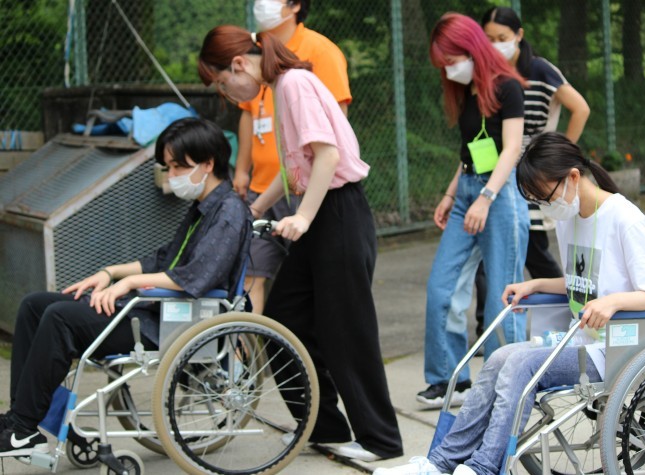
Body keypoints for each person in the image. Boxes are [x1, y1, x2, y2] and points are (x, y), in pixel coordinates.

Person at [374, 132, 645, 475]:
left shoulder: (625, 219)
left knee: (520, 364)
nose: (546, 207)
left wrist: (614, 302)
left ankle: (484, 467)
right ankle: (439, 463)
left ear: (572, 177)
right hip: (582, 341)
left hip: (620, 348)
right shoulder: (571, 217)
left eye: (544, 197)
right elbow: (585, 284)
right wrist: (537, 284)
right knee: (500, 356)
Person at [198, 26, 403, 462]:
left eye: (221, 83)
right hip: (320, 214)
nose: (228, 94)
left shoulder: (294, 84)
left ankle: (380, 439)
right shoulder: (279, 87)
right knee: (283, 320)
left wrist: (304, 217)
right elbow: (296, 169)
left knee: (345, 330)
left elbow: (327, 156)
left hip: (338, 213)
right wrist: (253, 210)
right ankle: (324, 426)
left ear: (238, 65)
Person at [0, 117, 251, 457]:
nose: (172, 175)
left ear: (208, 164)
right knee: (34, 305)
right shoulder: (202, 208)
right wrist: (109, 273)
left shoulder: (228, 212)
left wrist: (128, 283)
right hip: (155, 308)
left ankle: (24, 426)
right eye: (170, 166)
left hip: (169, 323)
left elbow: (196, 277)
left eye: (179, 167)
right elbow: (163, 259)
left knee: (60, 317)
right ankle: (22, 420)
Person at [416, 12, 529, 409]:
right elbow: (469, 153)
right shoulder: (467, 92)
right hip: (468, 190)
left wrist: (487, 197)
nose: (448, 69)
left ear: (472, 49)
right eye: (443, 64)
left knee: (504, 294)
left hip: (500, 198)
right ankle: (450, 379)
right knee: (442, 288)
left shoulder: (509, 87)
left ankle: (517, 381)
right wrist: (452, 195)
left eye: (452, 60)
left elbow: (511, 149)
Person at [471, 6, 592, 338]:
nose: (496, 44)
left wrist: (556, 155)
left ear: (519, 35)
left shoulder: (539, 69)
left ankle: (571, 311)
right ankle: (488, 324)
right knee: (489, 253)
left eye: (503, 38)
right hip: (496, 172)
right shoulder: (487, 74)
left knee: (535, 250)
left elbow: (580, 107)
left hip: (531, 174)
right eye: (489, 39)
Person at [234, 0, 351, 313]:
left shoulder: (318, 52)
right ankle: (249, 358)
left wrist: (305, 212)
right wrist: (241, 170)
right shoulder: (252, 52)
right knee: (251, 279)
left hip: (309, 189)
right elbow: (248, 115)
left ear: (295, 5)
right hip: (266, 183)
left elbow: (335, 128)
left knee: (311, 291)